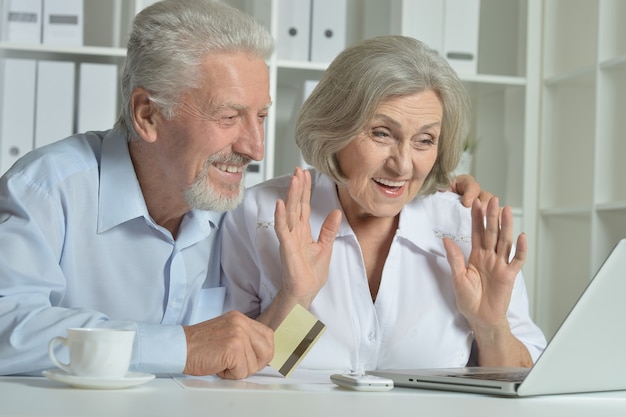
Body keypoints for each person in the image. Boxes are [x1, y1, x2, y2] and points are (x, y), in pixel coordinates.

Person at [0, 1, 483, 378]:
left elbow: (263, 353)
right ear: (148, 114)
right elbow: (7, 329)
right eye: (229, 117)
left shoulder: (237, 207)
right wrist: (181, 347)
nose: (254, 147)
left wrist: (436, 187)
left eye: (262, 117)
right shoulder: (47, 190)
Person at [221, 35, 547, 373]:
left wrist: (490, 327)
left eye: (425, 140)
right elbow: (234, 376)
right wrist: (297, 299)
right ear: (335, 128)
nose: (403, 165)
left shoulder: (469, 230)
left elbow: (529, 380)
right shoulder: (258, 214)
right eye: (381, 133)